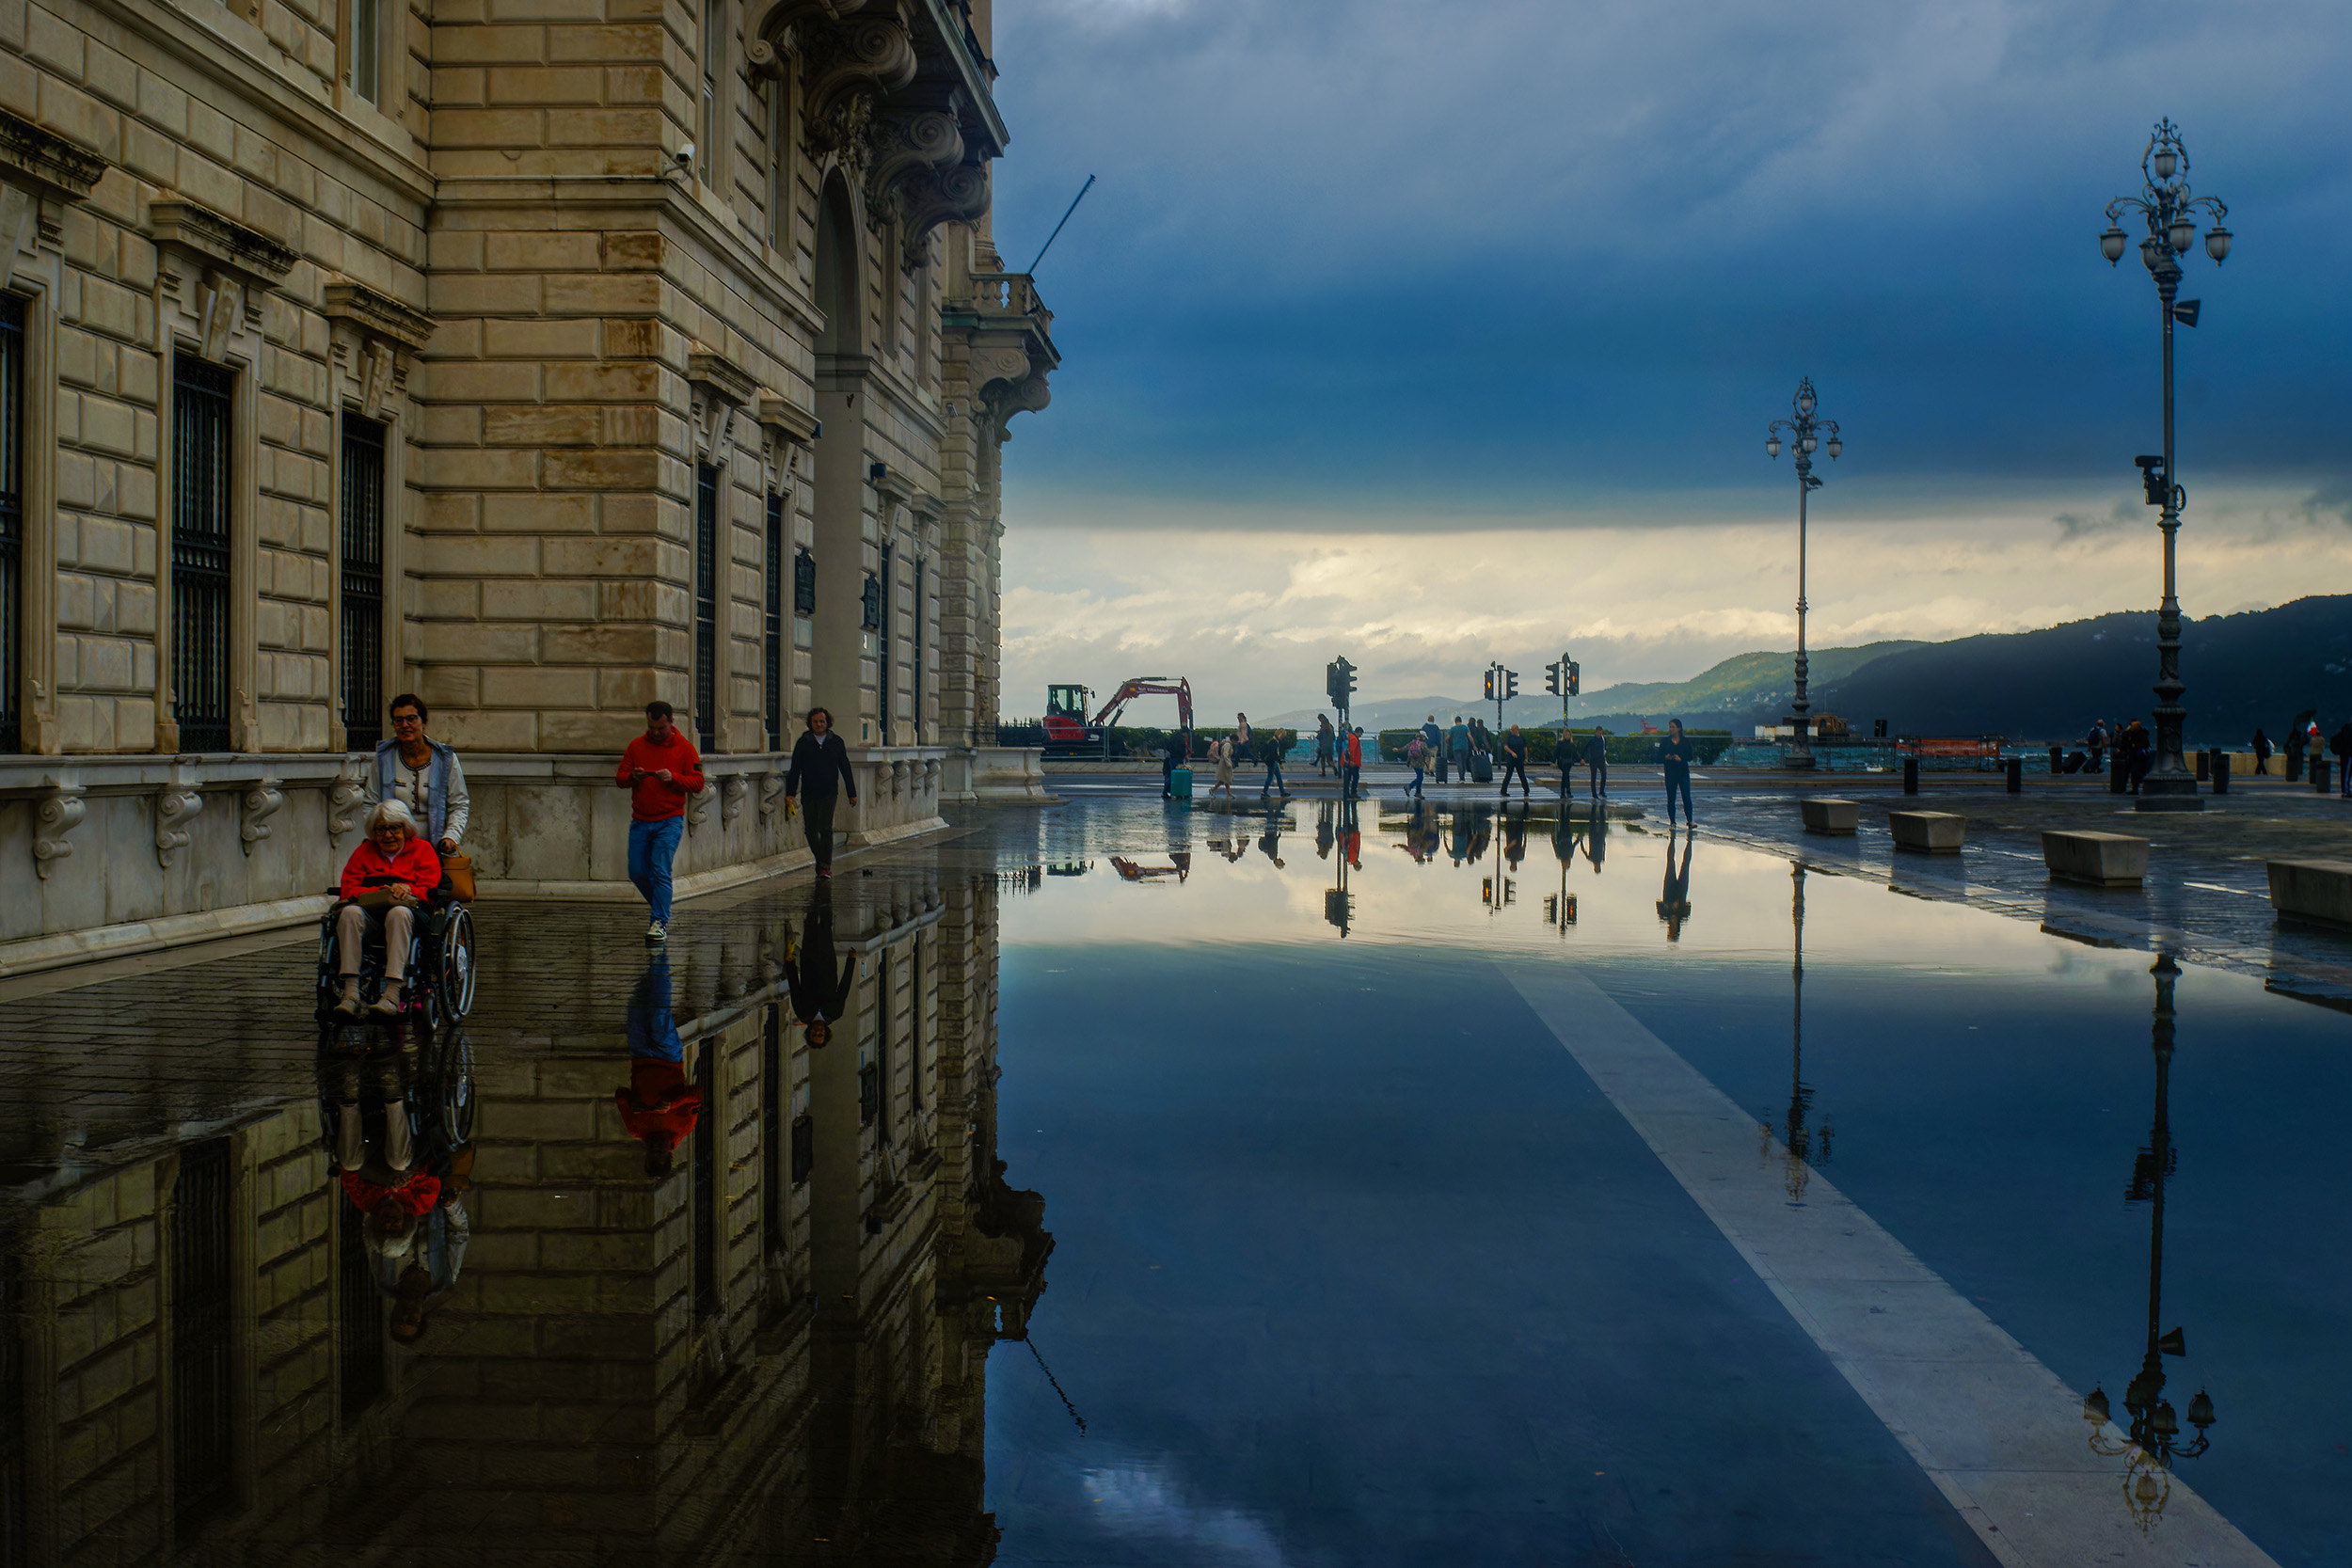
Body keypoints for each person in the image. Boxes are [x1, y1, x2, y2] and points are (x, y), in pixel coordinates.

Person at [332, 800, 442, 1018]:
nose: (388, 835)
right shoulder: (364, 851)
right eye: (381, 829)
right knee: (349, 912)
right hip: (370, 917)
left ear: (406, 828)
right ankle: (351, 993)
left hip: (408, 918)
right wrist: (380, 891)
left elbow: (430, 886)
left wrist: (408, 889)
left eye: (394, 828)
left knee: (398, 913)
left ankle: (391, 995)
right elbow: (349, 887)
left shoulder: (423, 850)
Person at [616, 700, 706, 941]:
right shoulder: (636, 746)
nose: (656, 733)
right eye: (652, 728)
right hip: (641, 821)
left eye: (661, 729)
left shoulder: (685, 749)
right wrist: (633, 777)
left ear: (671, 722)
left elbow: (698, 782)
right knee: (637, 871)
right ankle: (660, 907)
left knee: (660, 869)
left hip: (670, 820)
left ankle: (659, 921)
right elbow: (620, 778)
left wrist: (674, 778)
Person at [616, 950, 701, 1178]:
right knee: (658, 1014)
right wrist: (674, 1103)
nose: (655, 1148)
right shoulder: (684, 1127)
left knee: (635, 1006)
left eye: (650, 1153)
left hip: (640, 1056)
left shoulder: (635, 1129)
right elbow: (698, 1095)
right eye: (660, 1153)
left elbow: (619, 1095)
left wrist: (632, 1101)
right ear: (670, 1155)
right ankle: (659, 956)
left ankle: (650, 973)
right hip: (669, 1058)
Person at [377, 693, 469, 857]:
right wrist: (378, 835)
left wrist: (451, 837)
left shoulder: (445, 759)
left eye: (411, 719)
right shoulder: (383, 759)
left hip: (434, 850)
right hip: (393, 851)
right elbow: (370, 802)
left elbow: (459, 804)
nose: (405, 725)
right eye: (399, 721)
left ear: (424, 722)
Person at [784, 705, 857, 879]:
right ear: (811, 723)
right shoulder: (804, 742)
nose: (819, 724)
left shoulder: (836, 742)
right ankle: (821, 860)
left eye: (822, 721)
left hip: (829, 791)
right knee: (810, 830)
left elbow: (845, 767)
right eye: (816, 721)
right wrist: (790, 793)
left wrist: (851, 792)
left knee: (825, 828)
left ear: (827, 722)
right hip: (809, 791)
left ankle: (825, 866)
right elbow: (795, 769)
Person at [785, 887, 856, 1046]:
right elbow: (844, 989)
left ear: (809, 1032)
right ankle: (824, 893)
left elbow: (795, 988)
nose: (818, 1032)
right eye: (820, 1035)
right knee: (825, 927)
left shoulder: (803, 1013)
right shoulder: (835, 1013)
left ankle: (813, 896)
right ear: (826, 1033)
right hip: (827, 963)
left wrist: (789, 962)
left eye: (815, 1034)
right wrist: (851, 961)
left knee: (810, 927)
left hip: (808, 963)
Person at [1660, 718, 1697, 827]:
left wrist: (1682, 759)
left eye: (1673, 727)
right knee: (1671, 797)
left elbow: (1690, 756)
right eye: (1670, 727)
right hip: (1670, 772)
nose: (1671, 729)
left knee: (1686, 796)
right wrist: (1667, 757)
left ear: (1679, 728)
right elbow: (1659, 756)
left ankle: (1689, 820)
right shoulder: (1666, 741)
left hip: (1683, 772)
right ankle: (1672, 821)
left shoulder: (1685, 741)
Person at [1258, 727, 1291, 800]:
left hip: (1272, 761)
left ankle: (1282, 792)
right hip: (1271, 762)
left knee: (1278, 777)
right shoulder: (1274, 742)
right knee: (1270, 777)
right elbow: (1275, 754)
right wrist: (1280, 762)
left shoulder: (1272, 740)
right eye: (1283, 737)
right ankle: (1264, 792)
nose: (1282, 738)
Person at [1498, 724, 1530, 799]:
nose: (1512, 731)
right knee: (1509, 774)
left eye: (1513, 730)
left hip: (1520, 758)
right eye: (1511, 730)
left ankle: (1526, 790)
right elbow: (1506, 746)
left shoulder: (1521, 738)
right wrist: (1512, 752)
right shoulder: (1509, 737)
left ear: (1517, 729)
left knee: (1522, 775)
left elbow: (1525, 747)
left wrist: (1526, 757)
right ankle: (1503, 790)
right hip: (1511, 759)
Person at [1584, 725, 1610, 800]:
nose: (1600, 734)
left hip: (1601, 760)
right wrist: (1584, 758)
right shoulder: (1592, 740)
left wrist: (1605, 758)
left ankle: (1602, 791)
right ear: (1596, 732)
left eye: (1601, 733)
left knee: (1604, 775)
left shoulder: (1602, 739)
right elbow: (1586, 748)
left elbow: (1603, 750)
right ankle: (1594, 793)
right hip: (1594, 760)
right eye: (1598, 733)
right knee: (1593, 777)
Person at [1161, 728, 1187, 799]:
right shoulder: (1181, 739)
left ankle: (1167, 791)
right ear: (1184, 733)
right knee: (1175, 775)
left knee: (1172, 774)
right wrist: (1184, 755)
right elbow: (1182, 750)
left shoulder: (1174, 737)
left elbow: (1168, 746)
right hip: (1178, 758)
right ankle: (1166, 791)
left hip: (1172, 758)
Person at [1210, 736, 1236, 801]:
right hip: (1225, 764)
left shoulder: (1227, 744)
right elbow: (1225, 755)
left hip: (1224, 763)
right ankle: (1213, 789)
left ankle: (1227, 793)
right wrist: (1229, 764)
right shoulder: (1228, 745)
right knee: (1225, 779)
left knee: (1225, 779)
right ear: (1233, 740)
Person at [1423, 715, 1448, 784]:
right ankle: (1431, 769)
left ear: (1428, 719)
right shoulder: (1436, 727)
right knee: (1433, 757)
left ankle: (1427, 769)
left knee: (1427, 758)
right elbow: (1438, 736)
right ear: (1433, 720)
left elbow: (1422, 735)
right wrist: (1438, 744)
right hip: (1434, 745)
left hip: (1426, 745)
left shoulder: (1424, 727)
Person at [1342, 725, 1364, 800]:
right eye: (1361, 734)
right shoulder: (1355, 739)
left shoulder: (1350, 737)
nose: (1361, 735)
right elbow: (1352, 751)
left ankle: (1347, 793)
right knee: (1355, 777)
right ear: (1359, 732)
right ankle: (1353, 792)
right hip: (1354, 762)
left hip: (1349, 761)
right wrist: (1352, 760)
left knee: (1348, 778)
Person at [1404, 734, 1427, 800]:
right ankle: (1409, 786)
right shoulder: (1423, 744)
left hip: (1413, 762)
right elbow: (1426, 752)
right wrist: (1432, 755)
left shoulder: (1412, 743)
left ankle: (1418, 792)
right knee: (1420, 777)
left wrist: (1398, 750)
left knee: (1420, 777)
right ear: (1422, 737)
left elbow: (1405, 748)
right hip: (1419, 763)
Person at [2332, 721, 2352, 799]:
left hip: (2344, 754)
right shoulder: (2349, 732)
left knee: (2344, 772)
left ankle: (2345, 790)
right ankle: (2346, 790)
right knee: (2347, 772)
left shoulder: (2344, 731)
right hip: (2348, 754)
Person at [1315, 715, 1337, 779]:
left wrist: (1318, 733)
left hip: (1324, 746)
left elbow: (1319, 737)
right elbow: (1333, 737)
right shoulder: (1331, 727)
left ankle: (1323, 772)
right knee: (1329, 760)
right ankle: (1335, 769)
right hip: (1330, 746)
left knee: (1323, 760)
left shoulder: (1323, 728)